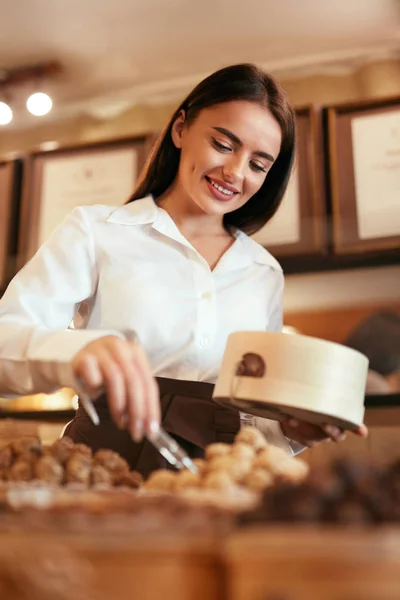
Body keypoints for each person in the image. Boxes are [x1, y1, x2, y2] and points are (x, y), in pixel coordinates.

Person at [0, 64, 367, 477]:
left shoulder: (264, 273)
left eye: (258, 165)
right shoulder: (96, 231)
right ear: (180, 129)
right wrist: (77, 352)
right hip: (103, 468)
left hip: (216, 478)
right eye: (223, 144)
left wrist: (293, 431)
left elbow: (252, 420)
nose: (235, 173)